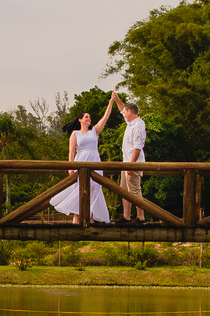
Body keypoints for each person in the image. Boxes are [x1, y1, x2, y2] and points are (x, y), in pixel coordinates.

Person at [49, 97, 115, 224]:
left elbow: (105, 118)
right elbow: (71, 151)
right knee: (80, 187)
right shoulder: (75, 134)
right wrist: (70, 166)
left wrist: (111, 102)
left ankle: (90, 215)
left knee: (94, 188)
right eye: (86, 117)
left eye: (89, 117)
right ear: (80, 120)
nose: (89, 119)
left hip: (94, 160)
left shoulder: (94, 131)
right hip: (81, 159)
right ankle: (77, 215)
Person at [112, 93, 145, 224]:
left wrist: (132, 165)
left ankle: (141, 217)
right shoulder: (131, 123)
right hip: (126, 163)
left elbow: (137, 148)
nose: (123, 114)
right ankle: (126, 216)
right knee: (125, 191)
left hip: (133, 163)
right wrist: (116, 99)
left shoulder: (137, 126)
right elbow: (122, 109)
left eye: (125, 112)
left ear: (130, 112)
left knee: (135, 190)